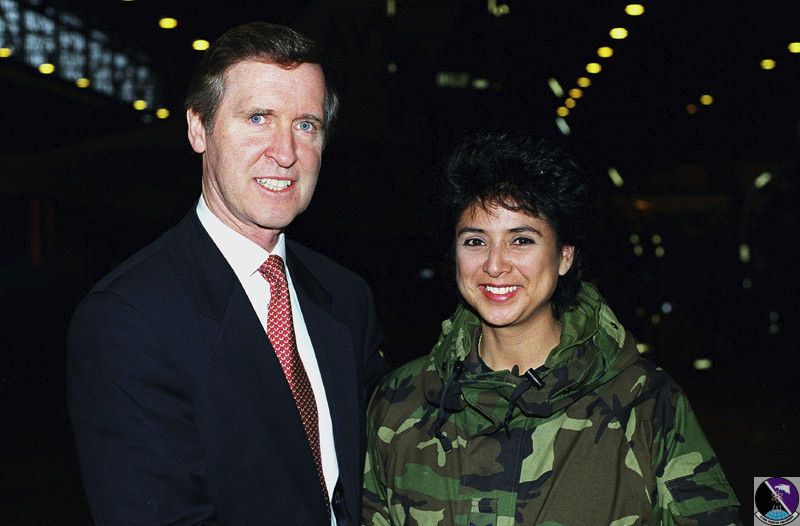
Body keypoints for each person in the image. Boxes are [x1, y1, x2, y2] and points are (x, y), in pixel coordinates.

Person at [67, 22, 388, 525]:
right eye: (259, 118)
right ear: (199, 128)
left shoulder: (346, 296)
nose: (286, 152)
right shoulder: (128, 320)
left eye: (306, 125)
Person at [362, 131, 741, 525]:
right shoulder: (400, 403)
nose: (495, 265)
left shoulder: (643, 402)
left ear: (564, 256)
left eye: (521, 240)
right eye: (475, 241)